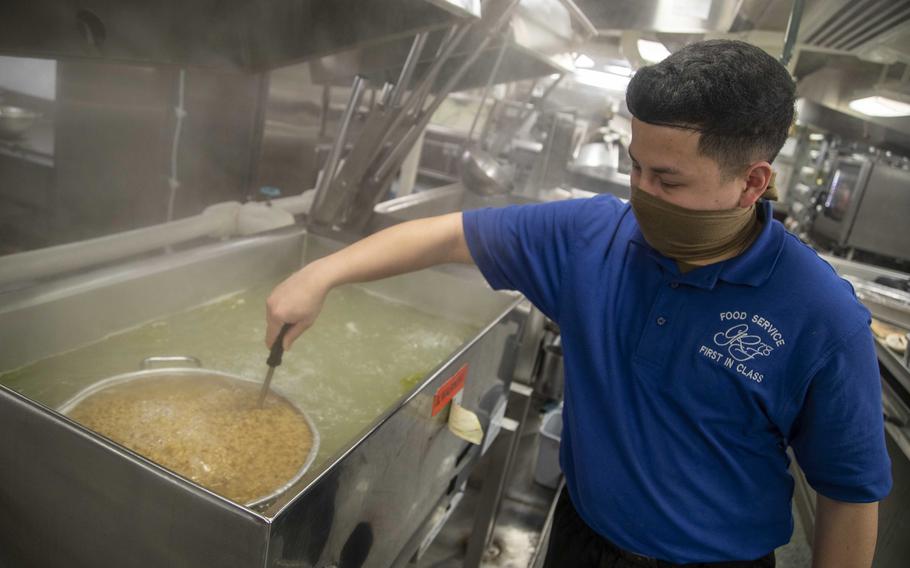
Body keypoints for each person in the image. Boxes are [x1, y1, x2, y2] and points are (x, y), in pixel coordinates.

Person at [265, 40, 892, 567]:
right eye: (635, 168)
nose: (641, 193)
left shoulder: (821, 315)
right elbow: (450, 234)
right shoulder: (594, 235)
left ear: (753, 181)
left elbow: (850, 495)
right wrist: (323, 273)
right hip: (578, 533)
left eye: (668, 180)